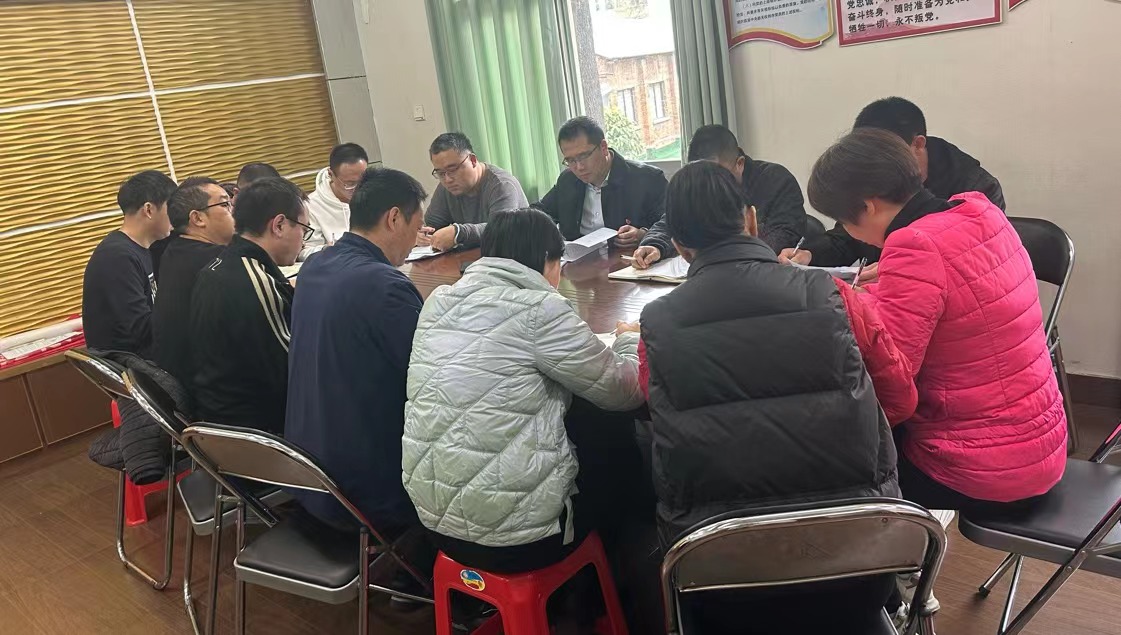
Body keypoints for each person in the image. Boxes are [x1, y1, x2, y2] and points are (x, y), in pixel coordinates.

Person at [639, 161, 906, 634]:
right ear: (751, 220)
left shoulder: (657, 325)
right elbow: (901, 398)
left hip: (721, 579)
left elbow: (657, 407)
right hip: (859, 565)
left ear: (678, 245)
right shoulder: (833, 294)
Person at [807, 129, 1066, 513]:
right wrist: (877, 292)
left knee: (832, 461)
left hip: (984, 466)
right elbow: (950, 308)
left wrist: (845, 298)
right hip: (1039, 445)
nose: (845, 230)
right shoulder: (980, 212)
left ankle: (898, 550)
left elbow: (893, 379)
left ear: (868, 206)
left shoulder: (915, 245)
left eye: (842, 220)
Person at [403, 208, 646, 575]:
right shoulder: (540, 308)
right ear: (547, 260)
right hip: (521, 541)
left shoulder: (438, 302)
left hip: (435, 526)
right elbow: (625, 390)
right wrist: (628, 341)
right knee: (610, 429)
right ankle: (606, 586)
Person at [285, 167, 428, 537]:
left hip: (308, 472)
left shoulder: (315, 266)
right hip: (363, 492)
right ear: (394, 218)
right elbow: (430, 377)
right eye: (417, 227)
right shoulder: (385, 285)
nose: (415, 241)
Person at [784, 97, 1007, 280]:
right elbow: (849, 235)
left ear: (918, 144)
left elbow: (979, 266)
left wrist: (898, 270)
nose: (877, 162)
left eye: (886, 151)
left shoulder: (976, 193)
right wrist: (810, 254)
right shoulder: (869, 178)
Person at [189, 177, 308, 434]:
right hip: (255, 428)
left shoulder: (222, 265)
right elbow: (297, 369)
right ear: (279, 225)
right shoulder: (255, 282)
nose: (304, 241)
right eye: (303, 229)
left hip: (219, 415)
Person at [632, 124, 806, 268]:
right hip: (706, 276)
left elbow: (785, 234)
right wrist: (654, 244)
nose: (710, 182)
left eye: (719, 174)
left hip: (761, 274)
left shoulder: (776, 180)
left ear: (740, 164)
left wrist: (725, 255)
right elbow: (673, 220)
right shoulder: (699, 184)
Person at [82, 170, 176, 357]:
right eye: (171, 207)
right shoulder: (117, 257)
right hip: (133, 364)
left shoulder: (141, 249)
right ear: (149, 210)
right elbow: (141, 331)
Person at [151, 177, 235, 386]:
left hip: (181, 381)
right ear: (197, 218)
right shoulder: (218, 261)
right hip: (212, 389)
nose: (234, 211)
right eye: (225, 204)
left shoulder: (174, 250)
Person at [534, 116, 666, 245]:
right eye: (570, 160)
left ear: (603, 147)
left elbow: (669, 221)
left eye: (584, 156)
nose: (579, 167)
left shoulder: (648, 178)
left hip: (629, 256)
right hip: (578, 257)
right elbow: (539, 214)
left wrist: (643, 234)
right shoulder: (568, 180)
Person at [416, 132, 528, 251]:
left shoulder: (502, 185)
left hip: (515, 255)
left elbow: (501, 230)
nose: (447, 179)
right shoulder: (447, 187)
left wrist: (460, 233)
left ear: (473, 160)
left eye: (453, 169)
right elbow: (432, 225)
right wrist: (422, 235)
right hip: (476, 257)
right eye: (440, 173)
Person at [301, 143, 368, 260]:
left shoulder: (374, 195)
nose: (358, 188)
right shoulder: (311, 207)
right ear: (331, 174)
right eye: (350, 184)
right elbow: (303, 252)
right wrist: (327, 250)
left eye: (362, 181)